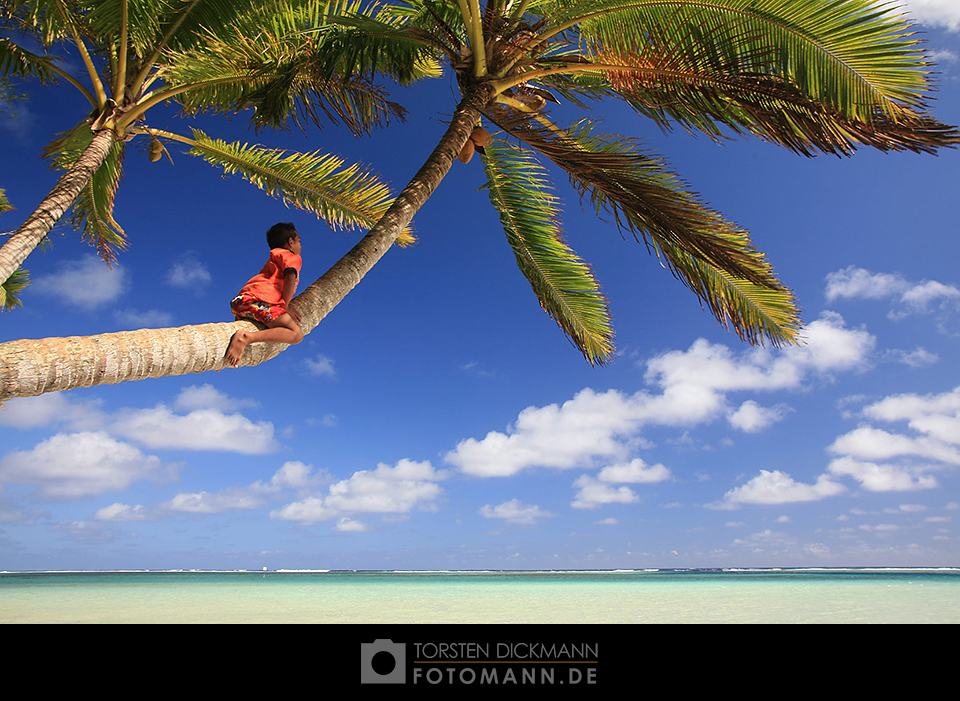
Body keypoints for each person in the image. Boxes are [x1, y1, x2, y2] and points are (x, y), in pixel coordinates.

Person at [225, 222, 304, 367]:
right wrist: (285, 305)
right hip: (259, 301)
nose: (300, 245)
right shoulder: (291, 256)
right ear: (290, 242)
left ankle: (223, 357)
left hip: (242, 302)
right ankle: (246, 337)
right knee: (296, 334)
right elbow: (290, 277)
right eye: (299, 241)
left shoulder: (273, 259)